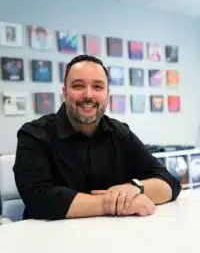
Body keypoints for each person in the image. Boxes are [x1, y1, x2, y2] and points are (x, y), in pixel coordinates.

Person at [13, 55, 181, 220]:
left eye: (98, 87)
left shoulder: (120, 133)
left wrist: (136, 188)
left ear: (107, 93)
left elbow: (170, 183)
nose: (88, 95)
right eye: (78, 86)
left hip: (114, 239)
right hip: (50, 241)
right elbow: (39, 199)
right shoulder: (34, 135)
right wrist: (115, 202)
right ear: (64, 92)